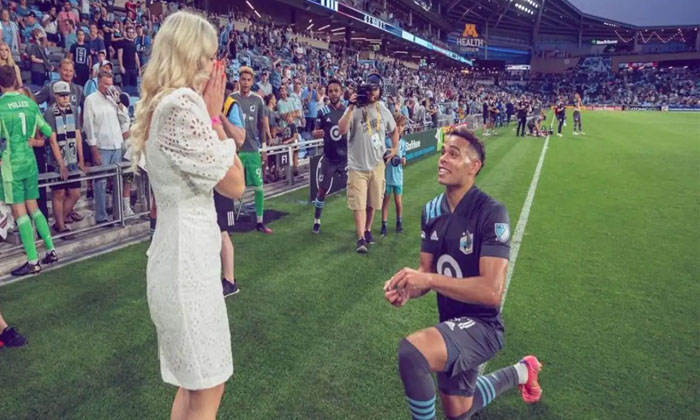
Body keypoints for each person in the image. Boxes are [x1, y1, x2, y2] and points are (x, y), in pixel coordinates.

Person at [383, 125, 543, 420]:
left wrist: (428, 279)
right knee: (458, 412)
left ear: (474, 167)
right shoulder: (431, 211)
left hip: (483, 327)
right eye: (443, 152)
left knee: (411, 354)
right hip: (452, 323)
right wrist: (408, 288)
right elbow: (425, 272)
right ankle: (523, 370)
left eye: (453, 155)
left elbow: (491, 293)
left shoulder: (492, 212)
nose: (442, 159)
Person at [130, 11, 245, 420]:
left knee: (196, 383)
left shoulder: (163, 103)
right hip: (186, 265)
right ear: (189, 55)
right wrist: (215, 117)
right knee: (208, 384)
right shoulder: (181, 106)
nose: (216, 68)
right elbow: (235, 184)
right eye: (210, 57)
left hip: (183, 258)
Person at [0, 65, 58, 276]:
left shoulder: (1, 107)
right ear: (16, 81)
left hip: (11, 165)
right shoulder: (29, 103)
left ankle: (33, 261)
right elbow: (48, 131)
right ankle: (51, 251)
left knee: (20, 212)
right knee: (33, 207)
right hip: (30, 161)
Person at [338, 73, 398, 254]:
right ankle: (360, 238)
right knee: (359, 203)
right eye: (370, 89)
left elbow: (394, 130)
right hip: (357, 165)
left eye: (376, 90)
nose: (373, 93)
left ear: (380, 91)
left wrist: (395, 148)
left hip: (377, 163)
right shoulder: (354, 108)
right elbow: (341, 130)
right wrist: (350, 106)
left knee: (373, 202)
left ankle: (368, 229)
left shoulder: (383, 110)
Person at [83, 71, 130, 223]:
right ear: (99, 82)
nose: (108, 87)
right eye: (105, 84)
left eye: (110, 84)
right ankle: (101, 216)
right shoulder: (90, 100)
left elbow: (124, 119)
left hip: (117, 144)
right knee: (101, 182)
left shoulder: (113, 100)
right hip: (102, 146)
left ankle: (118, 214)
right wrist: (93, 149)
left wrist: (118, 103)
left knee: (117, 181)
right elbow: (88, 126)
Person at [232, 66, 272, 234]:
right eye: (243, 79)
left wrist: (263, 148)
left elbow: (262, 125)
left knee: (259, 187)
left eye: (249, 80)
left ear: (252, 81)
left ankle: (260, 222)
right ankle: (227, 224)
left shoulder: (258, 100)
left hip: (253, 150)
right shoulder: (231, 99)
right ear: (239, 81)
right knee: (231, 187)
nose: (246, 83)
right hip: (236, 151)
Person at [217, 82, 247, 298]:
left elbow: (239, 139)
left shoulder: (231, 106)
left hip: (224, 172)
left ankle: (229, 279)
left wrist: (219, 118)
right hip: (209, 173)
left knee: (222, 230)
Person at [44, 80, 86, 236]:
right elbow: (53, 140)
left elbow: (77, 135)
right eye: (61, 95)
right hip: (56, 161)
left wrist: (81, 159)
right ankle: (60, 226)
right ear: (55, 96)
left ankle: (58, 222)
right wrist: (60, 164)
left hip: (73, 157)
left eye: (66, 95)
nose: (65, 98)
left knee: (75, 193)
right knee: (59, 193)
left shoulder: (74, 110)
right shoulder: (49, 112)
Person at [310, 78, 347, 234]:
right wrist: (315, 134)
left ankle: (363, 226)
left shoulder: (347, 111)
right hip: (329, 159)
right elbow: (315, 132)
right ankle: (317, 220)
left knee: (355, 189)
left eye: (336, 90)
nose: (333, 94)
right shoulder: (323, 112)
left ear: (341, 92)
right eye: (330, 91)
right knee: (322, 190)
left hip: (346, 159)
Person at [381, 113, 407, 237]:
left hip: (398, 176)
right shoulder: (386, 141)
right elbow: (383, 158)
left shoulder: (403, 143)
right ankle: (384, 224)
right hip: (387, 176)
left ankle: (399, 222)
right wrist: (386, 159)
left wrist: (402, 161)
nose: (400, 128)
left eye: (402, 125)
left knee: (398, 201)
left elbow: (404, 160)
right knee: (386, 200)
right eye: (397, 125)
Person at [116, 25, 140, 95]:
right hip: (125, 68)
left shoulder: (133, 44)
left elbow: (136, 56)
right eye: (129, 32)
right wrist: (121, 66)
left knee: (134, 88)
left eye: (132, 32)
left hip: (133, 69)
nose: (131, 34)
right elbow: (119, 55)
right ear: (126, 33)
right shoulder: (122, 42)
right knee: (126, 89)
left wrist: (139, 68)